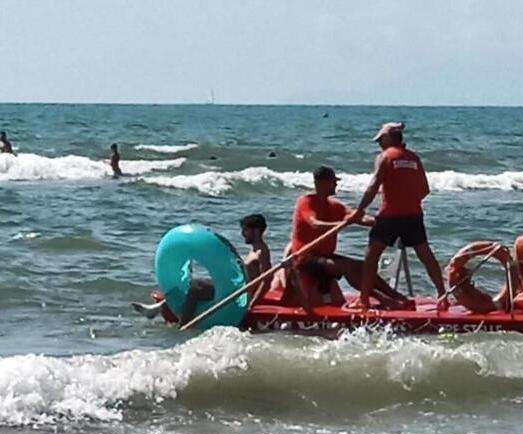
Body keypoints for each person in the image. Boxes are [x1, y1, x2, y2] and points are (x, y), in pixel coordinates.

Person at [276, 165, 412, 309]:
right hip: (305, 258)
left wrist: (385, 224)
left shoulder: (335, 206)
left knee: (362, 266)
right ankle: (383, 299)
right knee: (346, 266)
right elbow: (315, 224)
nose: (336, 184)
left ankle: (396, 296)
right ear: (320, 183)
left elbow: (359, 218)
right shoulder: (306, 202)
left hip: (325, 256)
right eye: (332, 181)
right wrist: (342, 223)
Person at [347, 122, 448, 311]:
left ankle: (364, 299)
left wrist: (359, 210)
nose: (379, 144)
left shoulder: (385, 157)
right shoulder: (414, 158)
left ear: (388, 138)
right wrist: (408, 200)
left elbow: (373, 186)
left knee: (371, 256)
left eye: (380, 140)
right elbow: (424, 190)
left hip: (390, 216)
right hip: (413, 215)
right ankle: (442, 294)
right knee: (426, 255)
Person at [133, 214, 274, 323]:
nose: (242, 233)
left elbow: (266, 280)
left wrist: (252, 304)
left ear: (256, 230)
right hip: (233, 288)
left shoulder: (261, 252)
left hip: (239, 294)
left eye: (245, 230)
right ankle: (159, 308)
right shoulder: (254, 250)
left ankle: (184, 324)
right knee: (189, 283)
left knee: (196, 287)